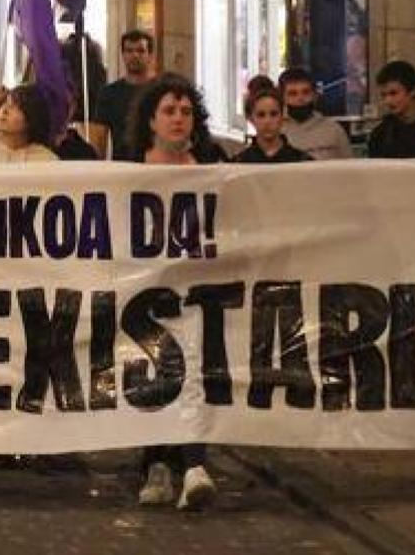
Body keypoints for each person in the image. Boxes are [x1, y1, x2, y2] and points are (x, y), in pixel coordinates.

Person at [129, 73, 220, 511]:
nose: (178, 119)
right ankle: (156, 463)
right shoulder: (127, 166)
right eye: (169, 111)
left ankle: (194, 465)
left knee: (196, 373)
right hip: (142, 296)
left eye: (186, 112)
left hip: (198, 295)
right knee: (154, 377)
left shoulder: (213, 165)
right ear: (151, 120)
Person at [90, 30, 157, 160]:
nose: (134, 55)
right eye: (129, 51)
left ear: (150, 55)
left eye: (140, 50)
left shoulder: (161, 91)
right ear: (123, 55)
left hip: (156, 165)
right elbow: (99, 138)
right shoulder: (109, 93)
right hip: (122, 167)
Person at [278, 68, 353, 160]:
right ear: (282, 98)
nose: (300, 98)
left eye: (306, 92)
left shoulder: (334, 130)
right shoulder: (276, 130)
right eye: (293, 94)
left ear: (314, 95)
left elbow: (350, 168)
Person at [235, 86, 312, 163]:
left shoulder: (302, 161)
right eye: (261, 115)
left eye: (274, 114)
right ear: (251, 119)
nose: (267, 121)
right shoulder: (239, 163)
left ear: (283, 116)